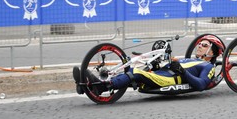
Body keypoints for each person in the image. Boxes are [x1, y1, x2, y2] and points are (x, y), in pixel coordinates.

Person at [75, 35, 224, 96]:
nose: (199, 46)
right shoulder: (188, 60)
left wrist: (182, 72)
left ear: (213, 51)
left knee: (137, 74)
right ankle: (85, 87)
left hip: (171, 80)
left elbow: (201, 85)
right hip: (162, 74)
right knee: (134, 68)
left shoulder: (208, 67)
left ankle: (101, 88)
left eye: (204, 45)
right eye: (199, 44)